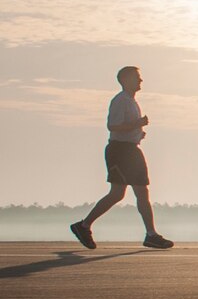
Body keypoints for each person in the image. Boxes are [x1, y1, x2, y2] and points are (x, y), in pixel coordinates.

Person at [70, 66, 172, 251]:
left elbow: (123, 128)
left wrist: (137, 133)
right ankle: (84, 226)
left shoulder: (131, 101)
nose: (141, 81)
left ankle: (151, 234)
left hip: (131, 149)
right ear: (125, 79)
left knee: (138, 192)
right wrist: (137, 124)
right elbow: (113, 126)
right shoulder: (120, 100)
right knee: (119, 193)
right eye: (137, 78)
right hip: (120, 151)